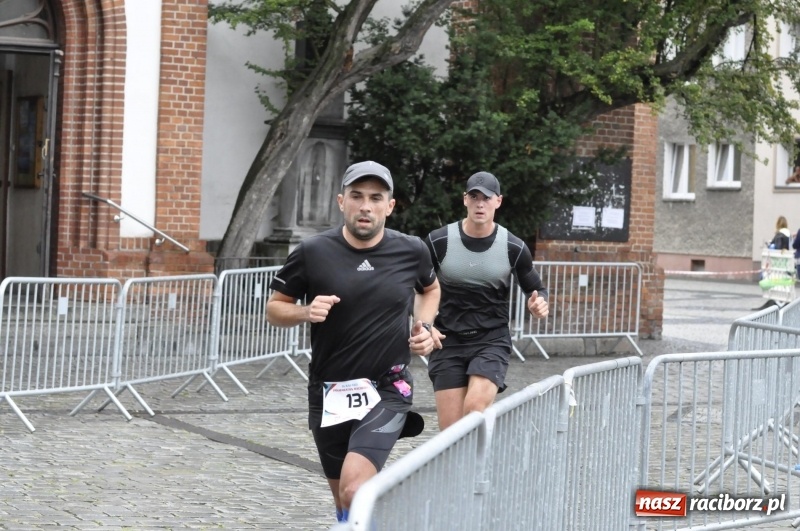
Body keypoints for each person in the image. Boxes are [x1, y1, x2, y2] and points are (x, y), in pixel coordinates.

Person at [266, 160, 440, 524]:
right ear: (341, 201)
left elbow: (431, 288)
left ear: (389, 206)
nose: (366, 206)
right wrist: (305, 311)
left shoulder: (412, 250)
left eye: (376, 198)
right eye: (357, 196)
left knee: (354, 489)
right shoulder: (312, 252)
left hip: (388, 388)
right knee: (344, 504)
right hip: (329, 391)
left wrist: (423, 325)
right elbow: (274, 310)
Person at [423, 171, 549, 431]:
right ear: (465, 200)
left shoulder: (513, 247)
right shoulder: (439, 242)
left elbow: (537, 289)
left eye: (487, 198)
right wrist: (425, 324)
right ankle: (464, 472)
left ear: (498, 201)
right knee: (451, 435)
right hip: (447, 340)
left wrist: (539, 304)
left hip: (491, 339)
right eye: (474, 197)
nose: (480, 204)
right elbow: (415, 288)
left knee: (475, 409)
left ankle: (480, 468)